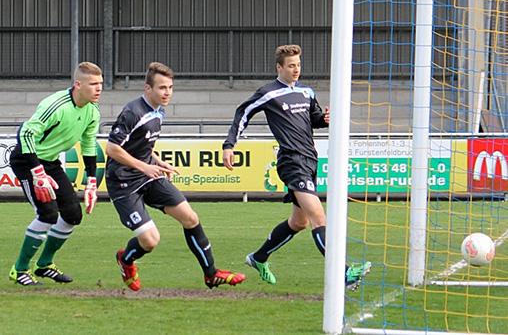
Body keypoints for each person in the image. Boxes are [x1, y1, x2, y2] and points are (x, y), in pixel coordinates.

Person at [222, 45, 371, 291]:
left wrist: (323, 119)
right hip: (292, 161)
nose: (296, 70)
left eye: (299, 65)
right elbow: (243, 113)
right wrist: (230, 145)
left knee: (299, 222)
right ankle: (343, 272)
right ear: (279, 67)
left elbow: (313, 118)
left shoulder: (306, 92)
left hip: (310, 160)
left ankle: (258, 258)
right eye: (291, 66)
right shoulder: (268, 93)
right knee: (318, 216)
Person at [106, 62, 246, 291]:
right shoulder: (133, 112)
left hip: (148, 173)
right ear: (147, 89)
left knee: (190, 217)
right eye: (162, 88)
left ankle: (211, 274)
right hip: (123, 182)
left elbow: (141, 143)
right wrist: (144, 167)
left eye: (170, 87)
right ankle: (126, 259)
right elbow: (112, 149)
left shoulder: (159, 110)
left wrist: (158, 161)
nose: (167, 92)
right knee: (150, 241)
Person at [9, 62, 103, 286]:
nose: (99, 88)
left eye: (101, 84)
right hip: (27, 159)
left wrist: (91, 181)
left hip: (50, 162)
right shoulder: (56, 105)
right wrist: (37, 172)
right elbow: (26, 134)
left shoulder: (92, 111)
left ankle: (44, 265)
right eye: (93, 84)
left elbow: (89, 144)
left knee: (73, 215)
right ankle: (20, 269)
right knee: (48, 214)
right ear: (78, 84)